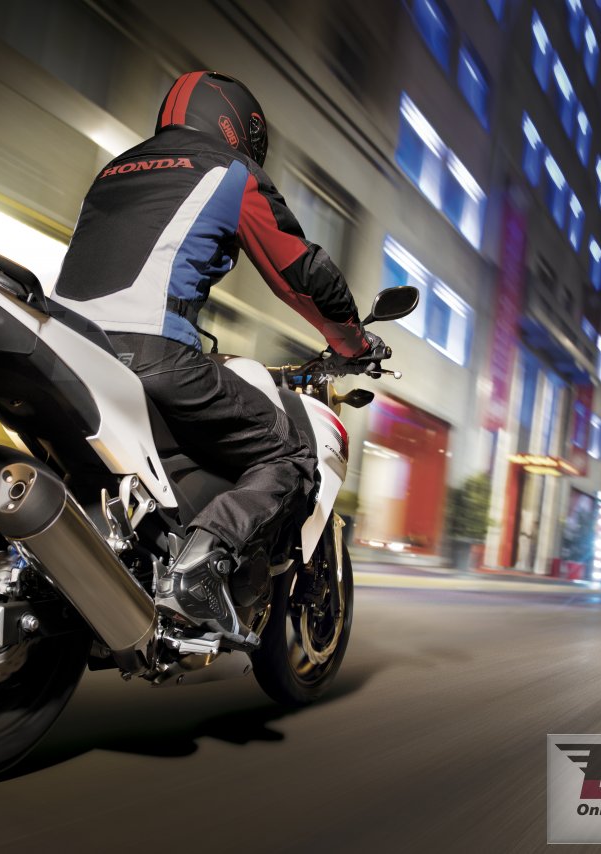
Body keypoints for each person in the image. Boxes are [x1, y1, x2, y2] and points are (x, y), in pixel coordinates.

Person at [50, 71, 386, 641]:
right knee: (291, 454)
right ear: (238, 126)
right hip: (153, 355)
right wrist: (352, 342)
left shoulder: (115, 169)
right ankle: (201, 565)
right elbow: (299, 272)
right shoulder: (231, 171)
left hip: (71, 350)